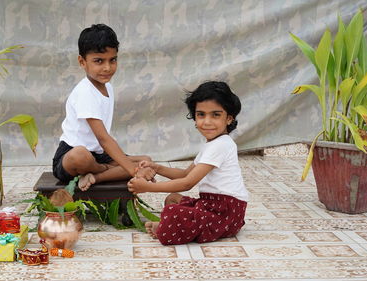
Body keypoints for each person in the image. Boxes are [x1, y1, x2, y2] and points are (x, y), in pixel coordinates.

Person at [128, 81, 248, 245]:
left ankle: (166, 227)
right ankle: (173, 224)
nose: (207, 121)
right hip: (211, 205)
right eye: (201, 115)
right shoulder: (212, 144)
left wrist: (148, 188)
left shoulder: (222, 144)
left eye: (215, 115)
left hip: (226, 212)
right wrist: (157, 167)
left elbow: (187, 183)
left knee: (173, 212)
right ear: (194, 117)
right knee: (173, 199)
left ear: (228, 119)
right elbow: (185, 174)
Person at [53, 23, 155, 191]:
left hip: (99, 155)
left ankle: (96, 176)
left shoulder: (107, 86)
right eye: (99, 61)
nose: (107, 68)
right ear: (82, 61)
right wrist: (133, 171)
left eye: (112, 60)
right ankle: (105, 171)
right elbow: (103, 138)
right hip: (71, 156)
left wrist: (135, 167)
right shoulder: (85, 92)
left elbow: (102, 145)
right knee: (81, 156)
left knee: (146, 160)